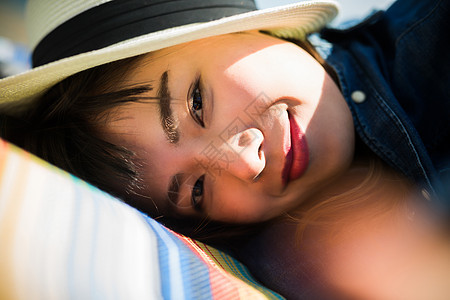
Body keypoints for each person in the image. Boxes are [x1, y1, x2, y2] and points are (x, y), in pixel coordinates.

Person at [0, 0, 449, 297]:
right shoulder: (286, 256)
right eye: (196, 190)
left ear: (243, 28)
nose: (245, 162)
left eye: (197, 103)